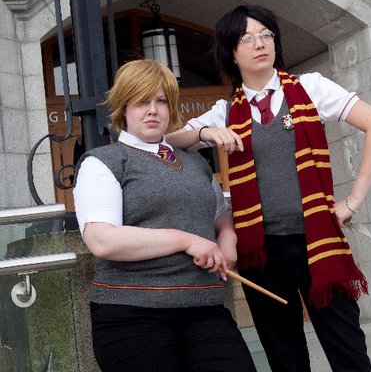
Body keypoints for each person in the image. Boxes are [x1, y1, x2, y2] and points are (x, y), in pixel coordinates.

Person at [167, 4, 371, 372]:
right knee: (285, 359)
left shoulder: (310, 88)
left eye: (266, 35)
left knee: (349, 354)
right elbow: (169, 143)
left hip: (317, 242)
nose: (260, 44)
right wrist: (206, 132)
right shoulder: (225, 112)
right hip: (261, 255)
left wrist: (353, 202)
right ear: (231, 52)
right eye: (247, 38)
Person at [73, 58, 256, 372]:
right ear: (123, 108)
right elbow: (103, 241)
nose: (152, 110)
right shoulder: (103, 162)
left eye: (160, 101)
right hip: (131, 313)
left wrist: (227, 237)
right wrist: (185, 240)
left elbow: (219, 213)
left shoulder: (195, 162)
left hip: (205, 309)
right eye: (141, 102)